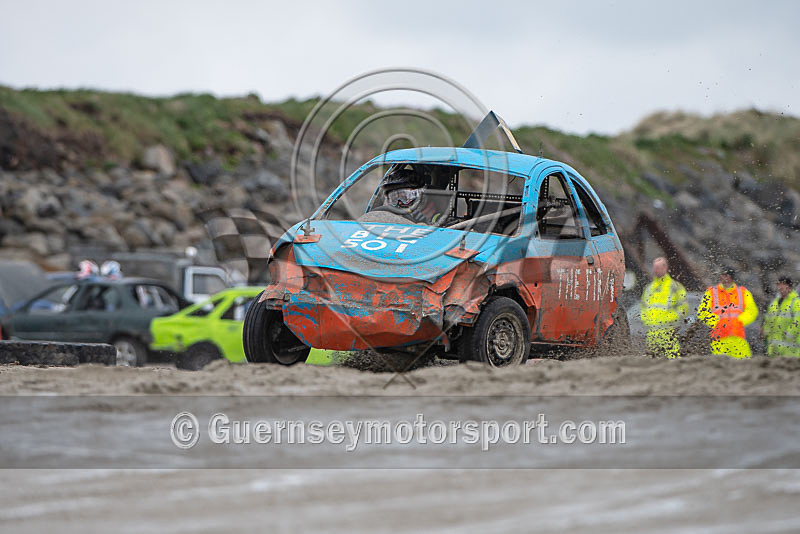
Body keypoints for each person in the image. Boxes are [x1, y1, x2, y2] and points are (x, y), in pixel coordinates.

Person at [696, 266, 758, 358]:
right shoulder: (711, 292)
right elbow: (702, 312)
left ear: (732, 277)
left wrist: (739, 321)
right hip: (718, 339)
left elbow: (752, 311)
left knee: (743, 363)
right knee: (720, 364)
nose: (724, 278)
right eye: (723, 275)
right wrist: (716, 322)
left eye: (727, 275)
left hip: (738, 337)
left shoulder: (743, 292)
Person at [640, 257, 688, 358]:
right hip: (652, 335)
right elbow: (643, 307)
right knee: (652, 363)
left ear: (665, 268)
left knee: (672, 361)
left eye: (658, 267)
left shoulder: (675, 287)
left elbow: (683, 308)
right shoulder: (649, 288)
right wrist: (647, 320)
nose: (655, 270)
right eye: (654, 267)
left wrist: (669, 319)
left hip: (669, 333)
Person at [377, 166, 450, 226]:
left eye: (405, 197)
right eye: (394, 198)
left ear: (421, 195)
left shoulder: (442, 221)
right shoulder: (385, 219)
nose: (399, 203)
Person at [761, 276, 800, 357]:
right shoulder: (774, 303)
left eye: (783, 284)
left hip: (790, 350)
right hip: (774, 349)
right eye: (778, 284)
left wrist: (789, 334)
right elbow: (768, 319)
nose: (780, 287)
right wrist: (765, 331)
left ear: (789, 287)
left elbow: (797, 321)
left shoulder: (796, 302)